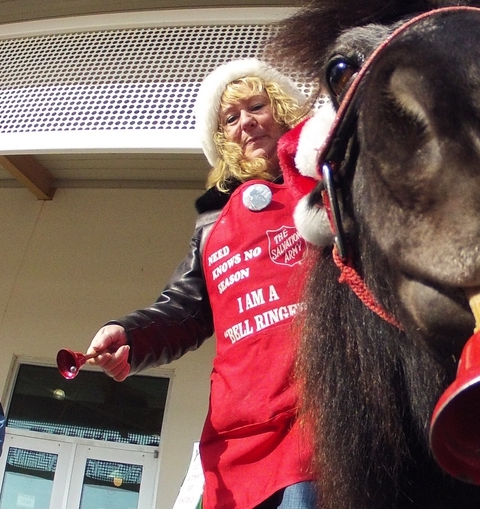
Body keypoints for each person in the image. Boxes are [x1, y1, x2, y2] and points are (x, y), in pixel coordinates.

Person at [85, 59, 316, 509]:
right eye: (231, 118)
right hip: (234, 436)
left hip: (316, 424)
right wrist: (130, 335)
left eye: (256, 106)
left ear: (284, 110)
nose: (246, 123)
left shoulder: (326, 194)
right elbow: (185, 310)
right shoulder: (212, 222)